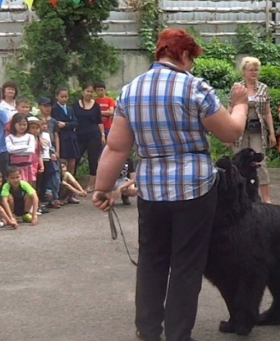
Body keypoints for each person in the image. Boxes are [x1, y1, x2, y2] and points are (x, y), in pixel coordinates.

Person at [91, 28, 249, 341]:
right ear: (184, 54)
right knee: (186, 265)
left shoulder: (130, 90)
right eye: (192, 58)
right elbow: (230, 133)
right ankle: (179, 335)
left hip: (150, 190)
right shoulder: (194, 88)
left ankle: (148, 331)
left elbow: (116, 147)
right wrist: (241, 104)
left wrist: (102, 187)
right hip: (195, 189)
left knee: (151, 260)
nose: (191, 65)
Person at [232, 56, 275, 203]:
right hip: (240, 131)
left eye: (256, 70)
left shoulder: (263, 88)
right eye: (251, 70)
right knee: (239, 161)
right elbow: (230, 108)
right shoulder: (237, 87)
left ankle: (266, 199)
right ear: (244, 71)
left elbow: (267, 112)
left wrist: (272, 133)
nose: (254, 73)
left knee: (260, 163)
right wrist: (228, 133)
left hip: (258, 130)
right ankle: (240, 196)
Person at [73, 83, 105, 192]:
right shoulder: (75, 105)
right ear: (82, 92)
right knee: (75, 158)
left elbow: (99, 121)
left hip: (93, 135)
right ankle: (72, 183)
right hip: (79, 135)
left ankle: (91, 185)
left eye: (91, 92)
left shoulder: (95, 105)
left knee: (93, 160)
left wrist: (103, 135)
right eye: (87, 91)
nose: (89, 94)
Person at [38, 97, 61, 208]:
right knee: (42, 178)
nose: (47, 108)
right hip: (40, 154)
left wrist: (57, 151)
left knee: (54, 175)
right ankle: (43, 199)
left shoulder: (53, 121)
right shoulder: (35, 119)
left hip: (51, 151)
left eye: (49, 106)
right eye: (45, 106)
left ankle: (54, 197)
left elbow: (56, 136)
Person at [51, 87, 79, 176]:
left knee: (72, 162)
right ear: (57, 96)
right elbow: (57, 123)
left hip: (71, 137)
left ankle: (71, 180)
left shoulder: (70, 109)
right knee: (62, 163)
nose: (64, 99)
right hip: (61, 137)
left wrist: (66, 124)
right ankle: (62, 182)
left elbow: (76, 122)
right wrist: (68, 124)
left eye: (66, 96)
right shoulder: (54, 109)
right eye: (62, 96)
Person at [6, 114, 37, 184]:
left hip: (28, 166)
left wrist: (16, 150)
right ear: (14, 124)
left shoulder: (30, 137)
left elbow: (31, 150)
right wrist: (26, 146)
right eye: (20, 124)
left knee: (29, 187)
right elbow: (10, 150)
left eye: (24, 124)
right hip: (15, 168)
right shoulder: (9, 137)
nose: (22, 127)